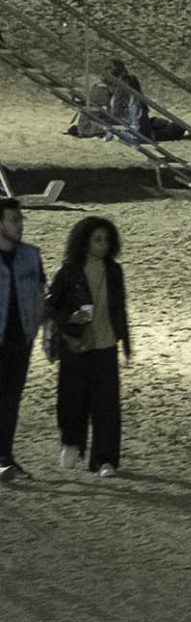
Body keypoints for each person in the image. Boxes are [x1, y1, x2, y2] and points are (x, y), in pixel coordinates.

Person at [45, 217, 130, 476]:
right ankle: (71, 443)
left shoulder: (114, 271)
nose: (103, 245)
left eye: (106, 239)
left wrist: (125, 340)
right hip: (77, 346)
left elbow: (120, 307)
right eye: (97, 239)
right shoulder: (68, 272)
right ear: (84, 241)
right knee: (72, 401)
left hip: (106, 345)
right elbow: (51, 307)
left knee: (107, 406)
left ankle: (105, 460)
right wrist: (70, 319)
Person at [0, 198, 49, 483]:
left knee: (10, 400)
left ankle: (5, 456)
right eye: (13, 220)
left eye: (20, 220)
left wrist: (36, 331)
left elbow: (41, 290)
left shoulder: (31, 254)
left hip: (20, 339)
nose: (19, 225)